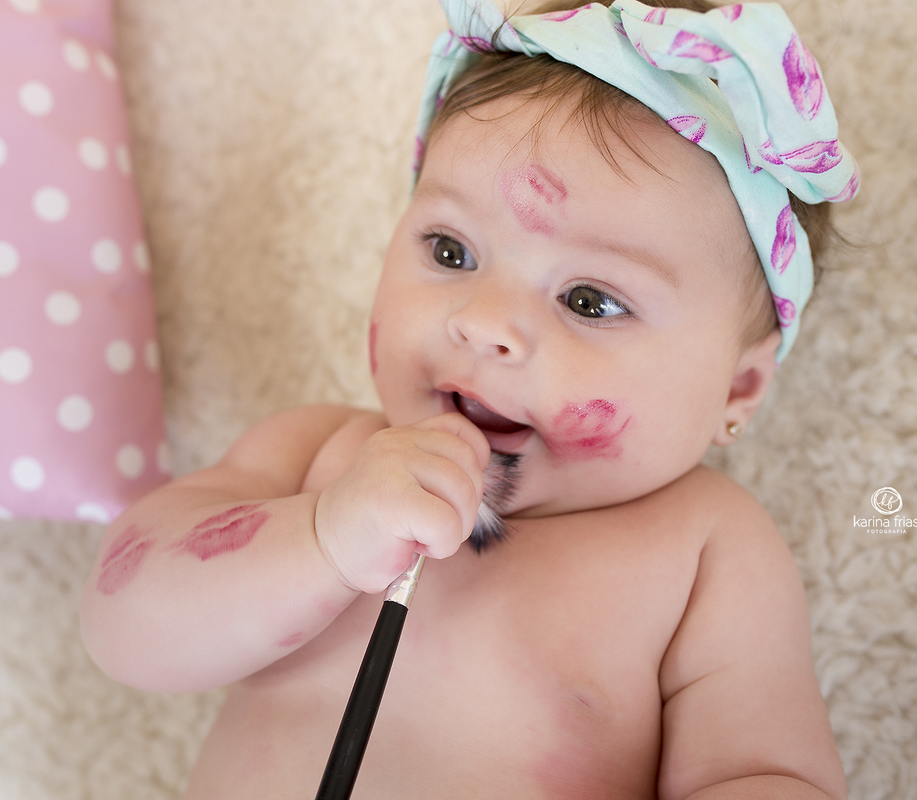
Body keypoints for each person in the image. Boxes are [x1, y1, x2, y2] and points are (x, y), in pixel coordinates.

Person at [80, 0, 859, 796]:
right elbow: (122, 624)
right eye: (451, 251)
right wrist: (321, 538)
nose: (486, 325)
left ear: (739, 386)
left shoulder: (704, 552)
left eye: (589, 300)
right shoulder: (316, 455)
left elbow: (769, 774)